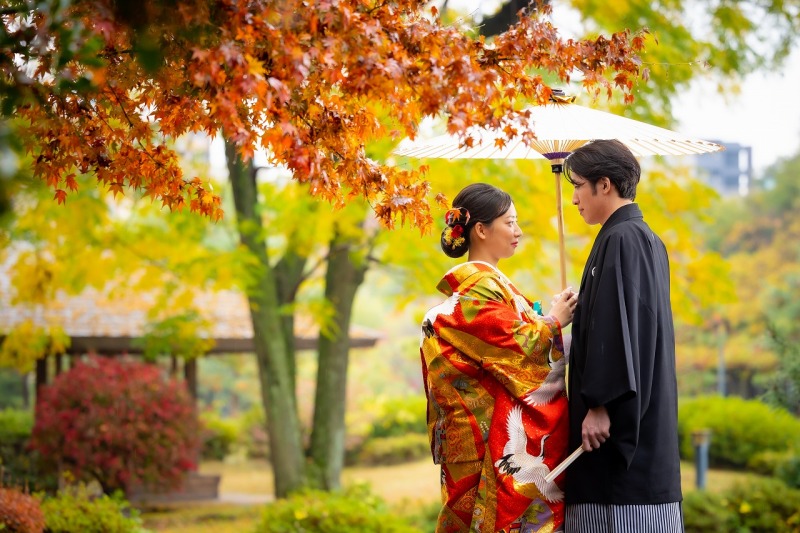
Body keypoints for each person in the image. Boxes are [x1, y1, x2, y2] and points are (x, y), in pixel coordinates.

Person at [420, 182, 578, 532]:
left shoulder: (490, 286)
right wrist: (553, 322)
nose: (518, 231)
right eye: (509, 222)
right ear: (480, 229)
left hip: (480, 434)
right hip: (483, 438)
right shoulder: (477, 290)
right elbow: (518, 348)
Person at [562, 139, 683, 532]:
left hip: (615, 436)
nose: (575, 199)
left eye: (578, 186)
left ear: (605, 185)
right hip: (642, 426)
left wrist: (599, 405)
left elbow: (618, 329)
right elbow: (630, 319)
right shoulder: (643, 237)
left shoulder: (621, 238)